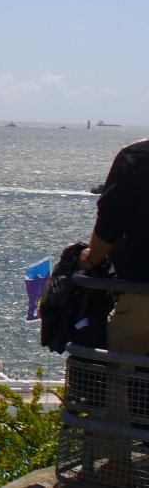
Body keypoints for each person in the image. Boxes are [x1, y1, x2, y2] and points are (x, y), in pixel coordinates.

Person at [79, 138, 149, 355]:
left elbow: (111, 221)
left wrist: (92, 258)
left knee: (123, 368)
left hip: (142, 296)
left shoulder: (138, 156)